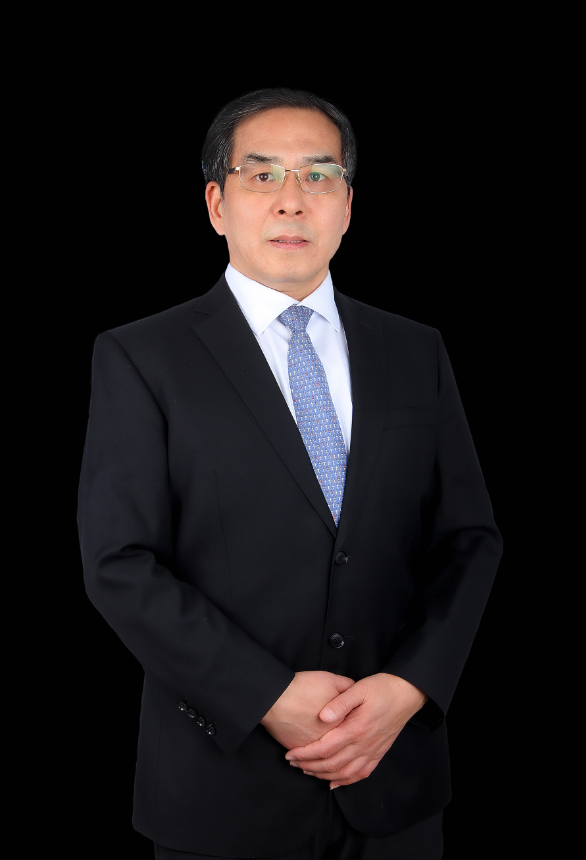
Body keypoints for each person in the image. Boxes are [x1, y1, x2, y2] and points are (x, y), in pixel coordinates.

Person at [78, 88, 502, 859]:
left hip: (395, 779)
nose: (292, 200)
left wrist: (409, 686)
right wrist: (266, 694)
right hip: (222, 789)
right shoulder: (142, 357)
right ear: (217, 203)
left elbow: (468, 538)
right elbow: (120, 562)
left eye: (319, 174)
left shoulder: (416, 351)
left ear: (347, 205)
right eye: (263, 174)